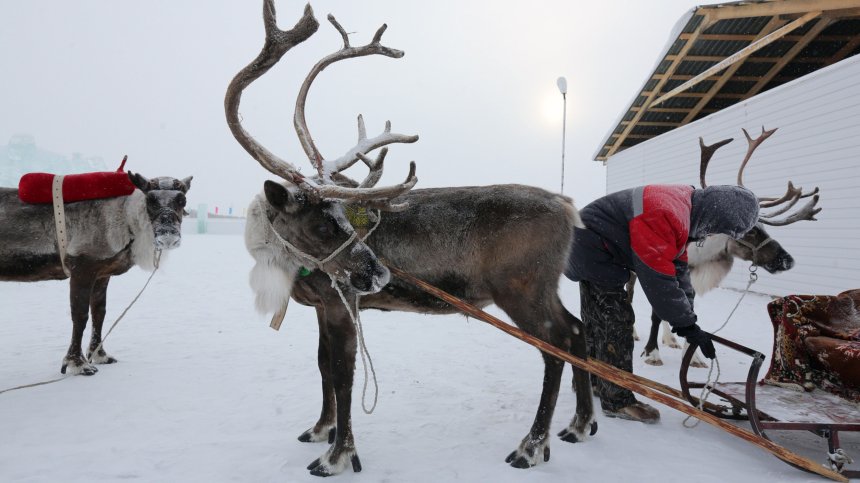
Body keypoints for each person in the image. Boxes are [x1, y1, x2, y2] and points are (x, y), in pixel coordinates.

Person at [565, 184, 759, 424]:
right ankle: (617, 400)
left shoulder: (684, 209)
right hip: (590, 248)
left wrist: (689, 322)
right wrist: (684, 324)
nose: (712, 234)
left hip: (587, 244)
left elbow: (677, 270)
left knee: (598, 319)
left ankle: (591, 378)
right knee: (614, 321)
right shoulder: (665, 214)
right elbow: (657, 278)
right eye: (718, 229)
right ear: (715, 214)